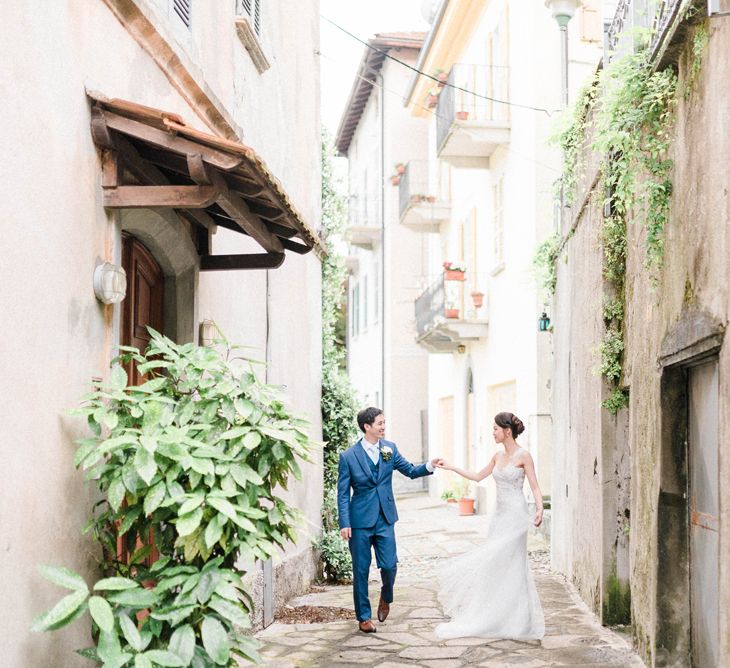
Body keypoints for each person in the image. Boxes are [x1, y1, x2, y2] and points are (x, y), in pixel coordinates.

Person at [434, 411, 545, 640]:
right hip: (499, 516)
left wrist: (540, 507)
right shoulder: (496, 456)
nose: (492, 433)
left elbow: (534, 486)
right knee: (496, 564)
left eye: (495, 429)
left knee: (515, 563)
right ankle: (496, 614)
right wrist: (451, 467)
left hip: (516, 515)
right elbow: (477, 476)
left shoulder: (524, 456)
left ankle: (519, 621)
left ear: (507, 431)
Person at [337, 407, 442, 633]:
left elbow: (411, 471)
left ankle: (386, 596)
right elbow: (343, 493)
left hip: (385, 517)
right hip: (359, 522)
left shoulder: (389, 449)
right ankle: (364, 617)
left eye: (384, 422)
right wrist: (344, 522)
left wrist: (430, 465)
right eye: (380, 423)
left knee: (389, 565)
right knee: (361, 570)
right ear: (367, 426)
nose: (384, 427)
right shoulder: (348, 456)